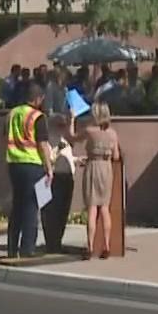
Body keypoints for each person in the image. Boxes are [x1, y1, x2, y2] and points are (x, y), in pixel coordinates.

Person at [4, 82, 55, 258]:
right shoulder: (38, 117)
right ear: (38, 98)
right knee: (31, 207)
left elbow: (6, 135)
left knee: (17, 206)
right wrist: (49, 167)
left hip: (13, 163)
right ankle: (27, 248)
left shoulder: (12, 113)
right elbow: (41, 145)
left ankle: (12, 248)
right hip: (33, 164)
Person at [80, 104, 121, 259]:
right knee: (104, 207)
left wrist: (71, 120)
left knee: (92, 207)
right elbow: (116, 156)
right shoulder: (112, 134)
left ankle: (90, 246)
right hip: (106, 168)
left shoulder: (90, 131)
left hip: (92, 166)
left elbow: (73, 137)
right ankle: (107, 245)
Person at [42, 115, 79, 254]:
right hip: (53, 177)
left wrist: (76, 160)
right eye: (61, 125)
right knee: (51, 212)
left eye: (64, 125)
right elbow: (49, 158)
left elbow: (68, 156)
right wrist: (58, 148)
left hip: (67, 177)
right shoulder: (48, 139)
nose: (64, 127)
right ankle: (51, 243)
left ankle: (57, 242)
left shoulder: (65, 140)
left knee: (63, 211)